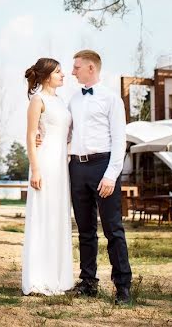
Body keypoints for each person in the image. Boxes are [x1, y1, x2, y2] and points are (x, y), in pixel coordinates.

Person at [67, 49, 132, 304]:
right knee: (85, 229)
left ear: (91, 68)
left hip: (103, 166)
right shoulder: (73, 100)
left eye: (76, 67)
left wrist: (111, 175)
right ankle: (88, 281)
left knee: (113, 230)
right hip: (77, 168)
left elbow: (120, 140)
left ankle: (123, 287)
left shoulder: (111, 99)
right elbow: (68, 135)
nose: (73, 72)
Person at [21, 57, 74, 295]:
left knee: (58, 217)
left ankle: (59, 277)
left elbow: (67, 134)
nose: (63, 75)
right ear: (46, 76)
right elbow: (31, 137)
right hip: (45, 164)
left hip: (62, 166)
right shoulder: (37, 100)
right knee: (43, 217)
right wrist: (35, 169)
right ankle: (38, 278)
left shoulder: (61, 102)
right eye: (59, 72)